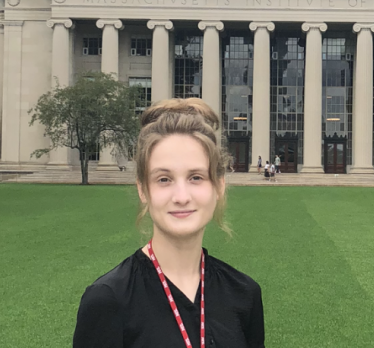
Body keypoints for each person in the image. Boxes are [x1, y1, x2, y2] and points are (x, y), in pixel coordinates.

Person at [73, 98, 265, 348]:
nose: (182, 197)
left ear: (218, 186)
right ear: (143, 189)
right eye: (164, 179)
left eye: (196, 177)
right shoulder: (108, 300)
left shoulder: (244, 293)